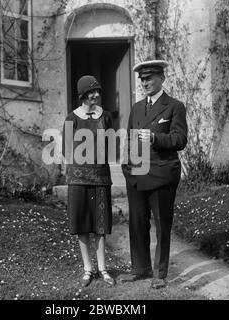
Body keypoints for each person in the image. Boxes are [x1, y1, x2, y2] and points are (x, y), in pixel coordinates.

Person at [121, 59, 188, 289]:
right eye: (142, 79)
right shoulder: (137, 107)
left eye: (149, 78)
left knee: (162, 225)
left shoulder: (174, 106)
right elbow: (130, 138)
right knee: (137, 223)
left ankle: (159, 273)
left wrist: (155, 138)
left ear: (162, 78)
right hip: (137, 175)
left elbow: (180, 140)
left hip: (161, 174)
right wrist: (126, 167)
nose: (145, 82)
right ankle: (140, 269)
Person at [62, 75, 115, 287]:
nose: (95, 95)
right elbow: (67, 149)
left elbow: (110, 146)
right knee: (82, 224)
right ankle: (87, 269)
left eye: (97, 91)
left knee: (100, 225)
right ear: (82, 94)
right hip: (78, 179)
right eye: (91, 92)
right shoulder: (71, 118)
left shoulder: (107, 116)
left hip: (101, 177)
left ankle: (102, 268)